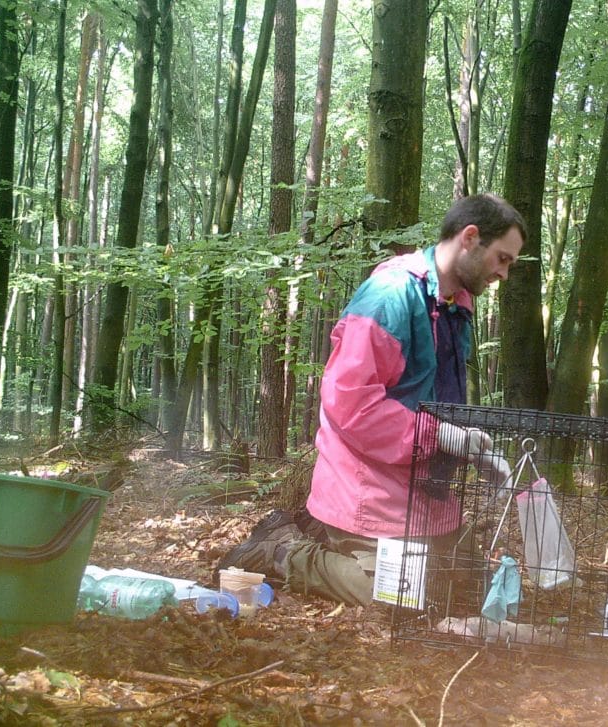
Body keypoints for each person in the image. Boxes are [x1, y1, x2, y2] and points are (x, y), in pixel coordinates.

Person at [219, 194, 527, 606]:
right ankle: (282, 549)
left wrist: (472, 449)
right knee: (399, 599)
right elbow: (350, 403)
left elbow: (435, 398)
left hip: (423, 489)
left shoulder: (457, 304)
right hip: (368, 488)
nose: (504, 274)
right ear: (470, 238)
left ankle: (330, 538)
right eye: (503, 259)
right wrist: (440, 437)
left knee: (469, 592)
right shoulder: (390, 295)